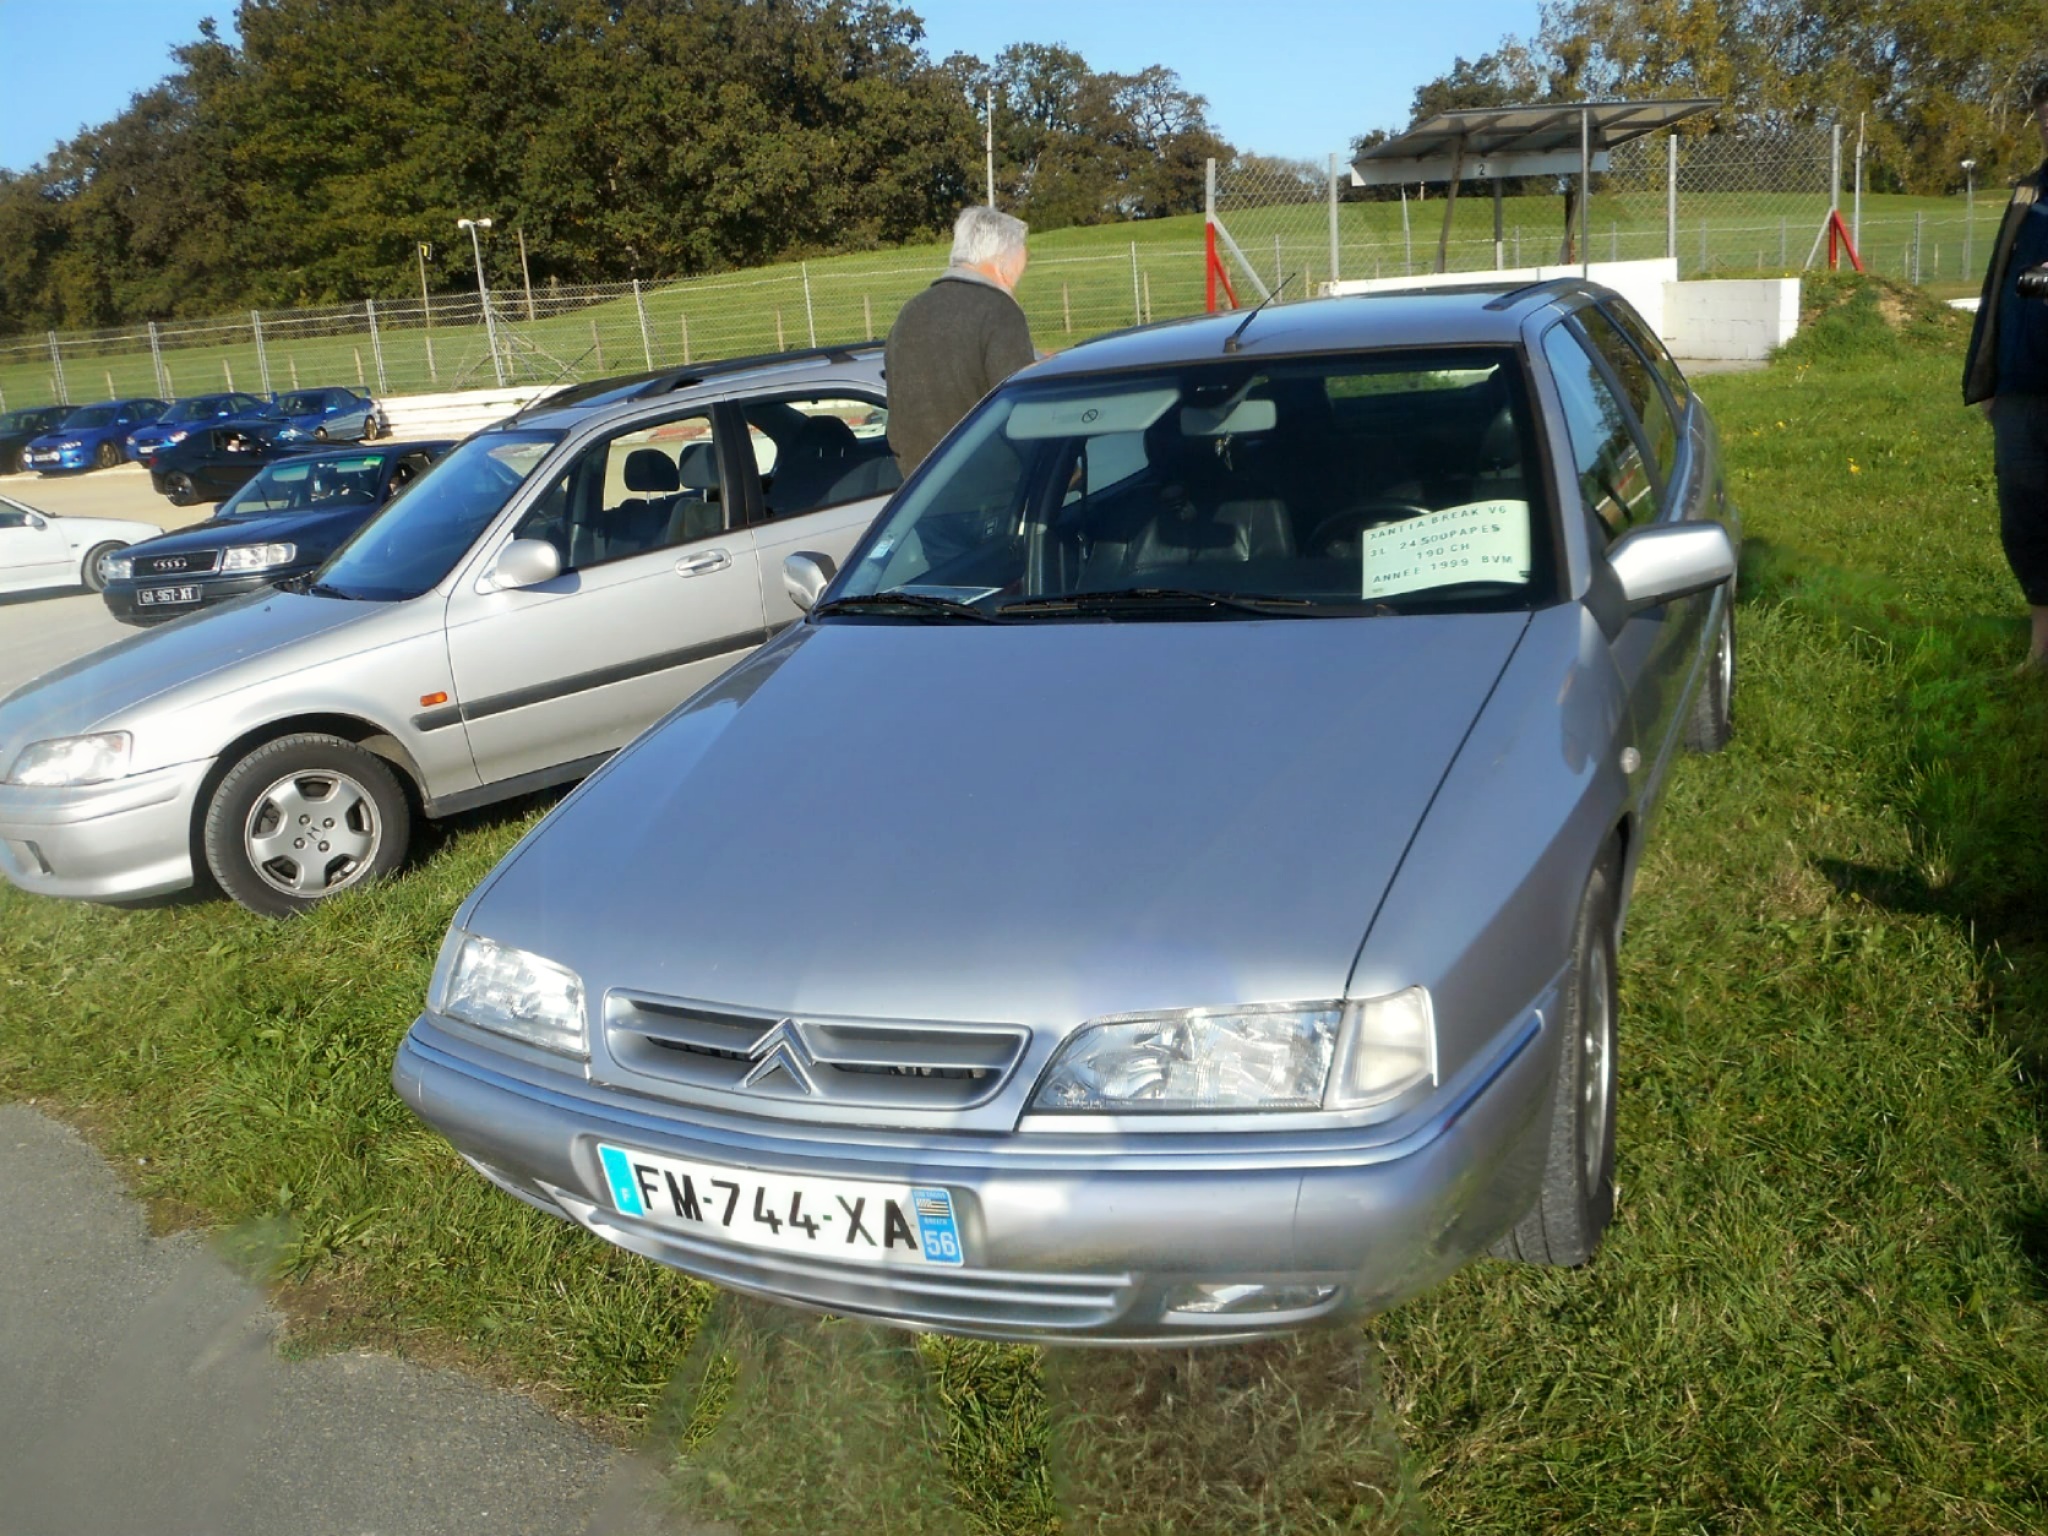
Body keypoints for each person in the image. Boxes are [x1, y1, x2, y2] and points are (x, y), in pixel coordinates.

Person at [1964, 76, 2048, 669]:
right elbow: (1997, 288)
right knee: (2025, 517)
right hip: (2022, 384)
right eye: (2045, 118)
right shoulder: (2029, 191)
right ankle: (2043, 646)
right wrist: (1989, 377)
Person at [885, 206, 1035, 475]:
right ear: (1002, 263)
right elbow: (1022, 413)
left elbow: (896, 426)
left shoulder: (909, 313)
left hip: (920, 494)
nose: (1014, 285)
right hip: (990, 489)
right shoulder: (999, 311)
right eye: (1017, 273)